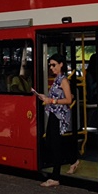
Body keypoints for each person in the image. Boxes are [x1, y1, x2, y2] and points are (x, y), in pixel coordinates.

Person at [37, 53, 79, 186]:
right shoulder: (57, 79)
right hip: (54, 113)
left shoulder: (63, 80)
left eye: (54, 65)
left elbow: (68, 99)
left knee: (54, 144)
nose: (51, 67)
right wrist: (45, 98)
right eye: (50, 65)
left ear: (61, 64)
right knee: (50, 141)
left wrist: (52, 100)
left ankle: (55, 178)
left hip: (59, 116)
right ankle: (73, 159)